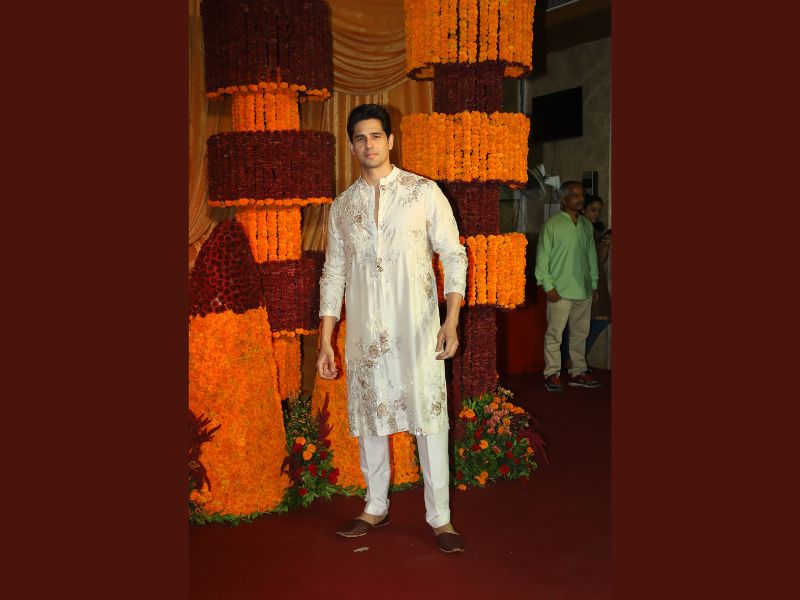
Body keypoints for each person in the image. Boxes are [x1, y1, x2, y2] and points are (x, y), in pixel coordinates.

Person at [316, 104, 469, 553]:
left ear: (390, 140)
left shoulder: (423, 192)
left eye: (376, 136)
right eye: (360, 138)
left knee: (429, 419)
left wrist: (451, 319)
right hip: (365, 332)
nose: (369, 145)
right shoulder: (343, 208)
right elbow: (333, 274)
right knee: (370, 418)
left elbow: (453, 255)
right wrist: (326, 340)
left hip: (419, 329)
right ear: (352, 146)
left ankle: (440, 518)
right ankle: (375, 505)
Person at [534, 180, 602, 392]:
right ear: (563, 200)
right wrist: (548, 286)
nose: (580, 199)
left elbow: (591, 257)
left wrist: (594, 285)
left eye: (581, 195)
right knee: (555, 334)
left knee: (580, 334)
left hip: (583, 290)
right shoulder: (552, 224)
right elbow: (542, 259)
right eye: (575, 195)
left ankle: (578, 372)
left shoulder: (586, 225)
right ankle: (551, 374)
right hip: (559, 291)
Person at [559, 194, 611, 369]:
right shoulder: (575, 228)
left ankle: (574, 359)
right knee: (575, 322)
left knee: (598, 320)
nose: (596, 214)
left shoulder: (593, 230)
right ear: (583, 210)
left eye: (599, 211)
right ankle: (571, 360)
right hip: (577, 280)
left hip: (595, 280)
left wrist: (605, 245)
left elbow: (600, 259)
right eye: (593, 210)